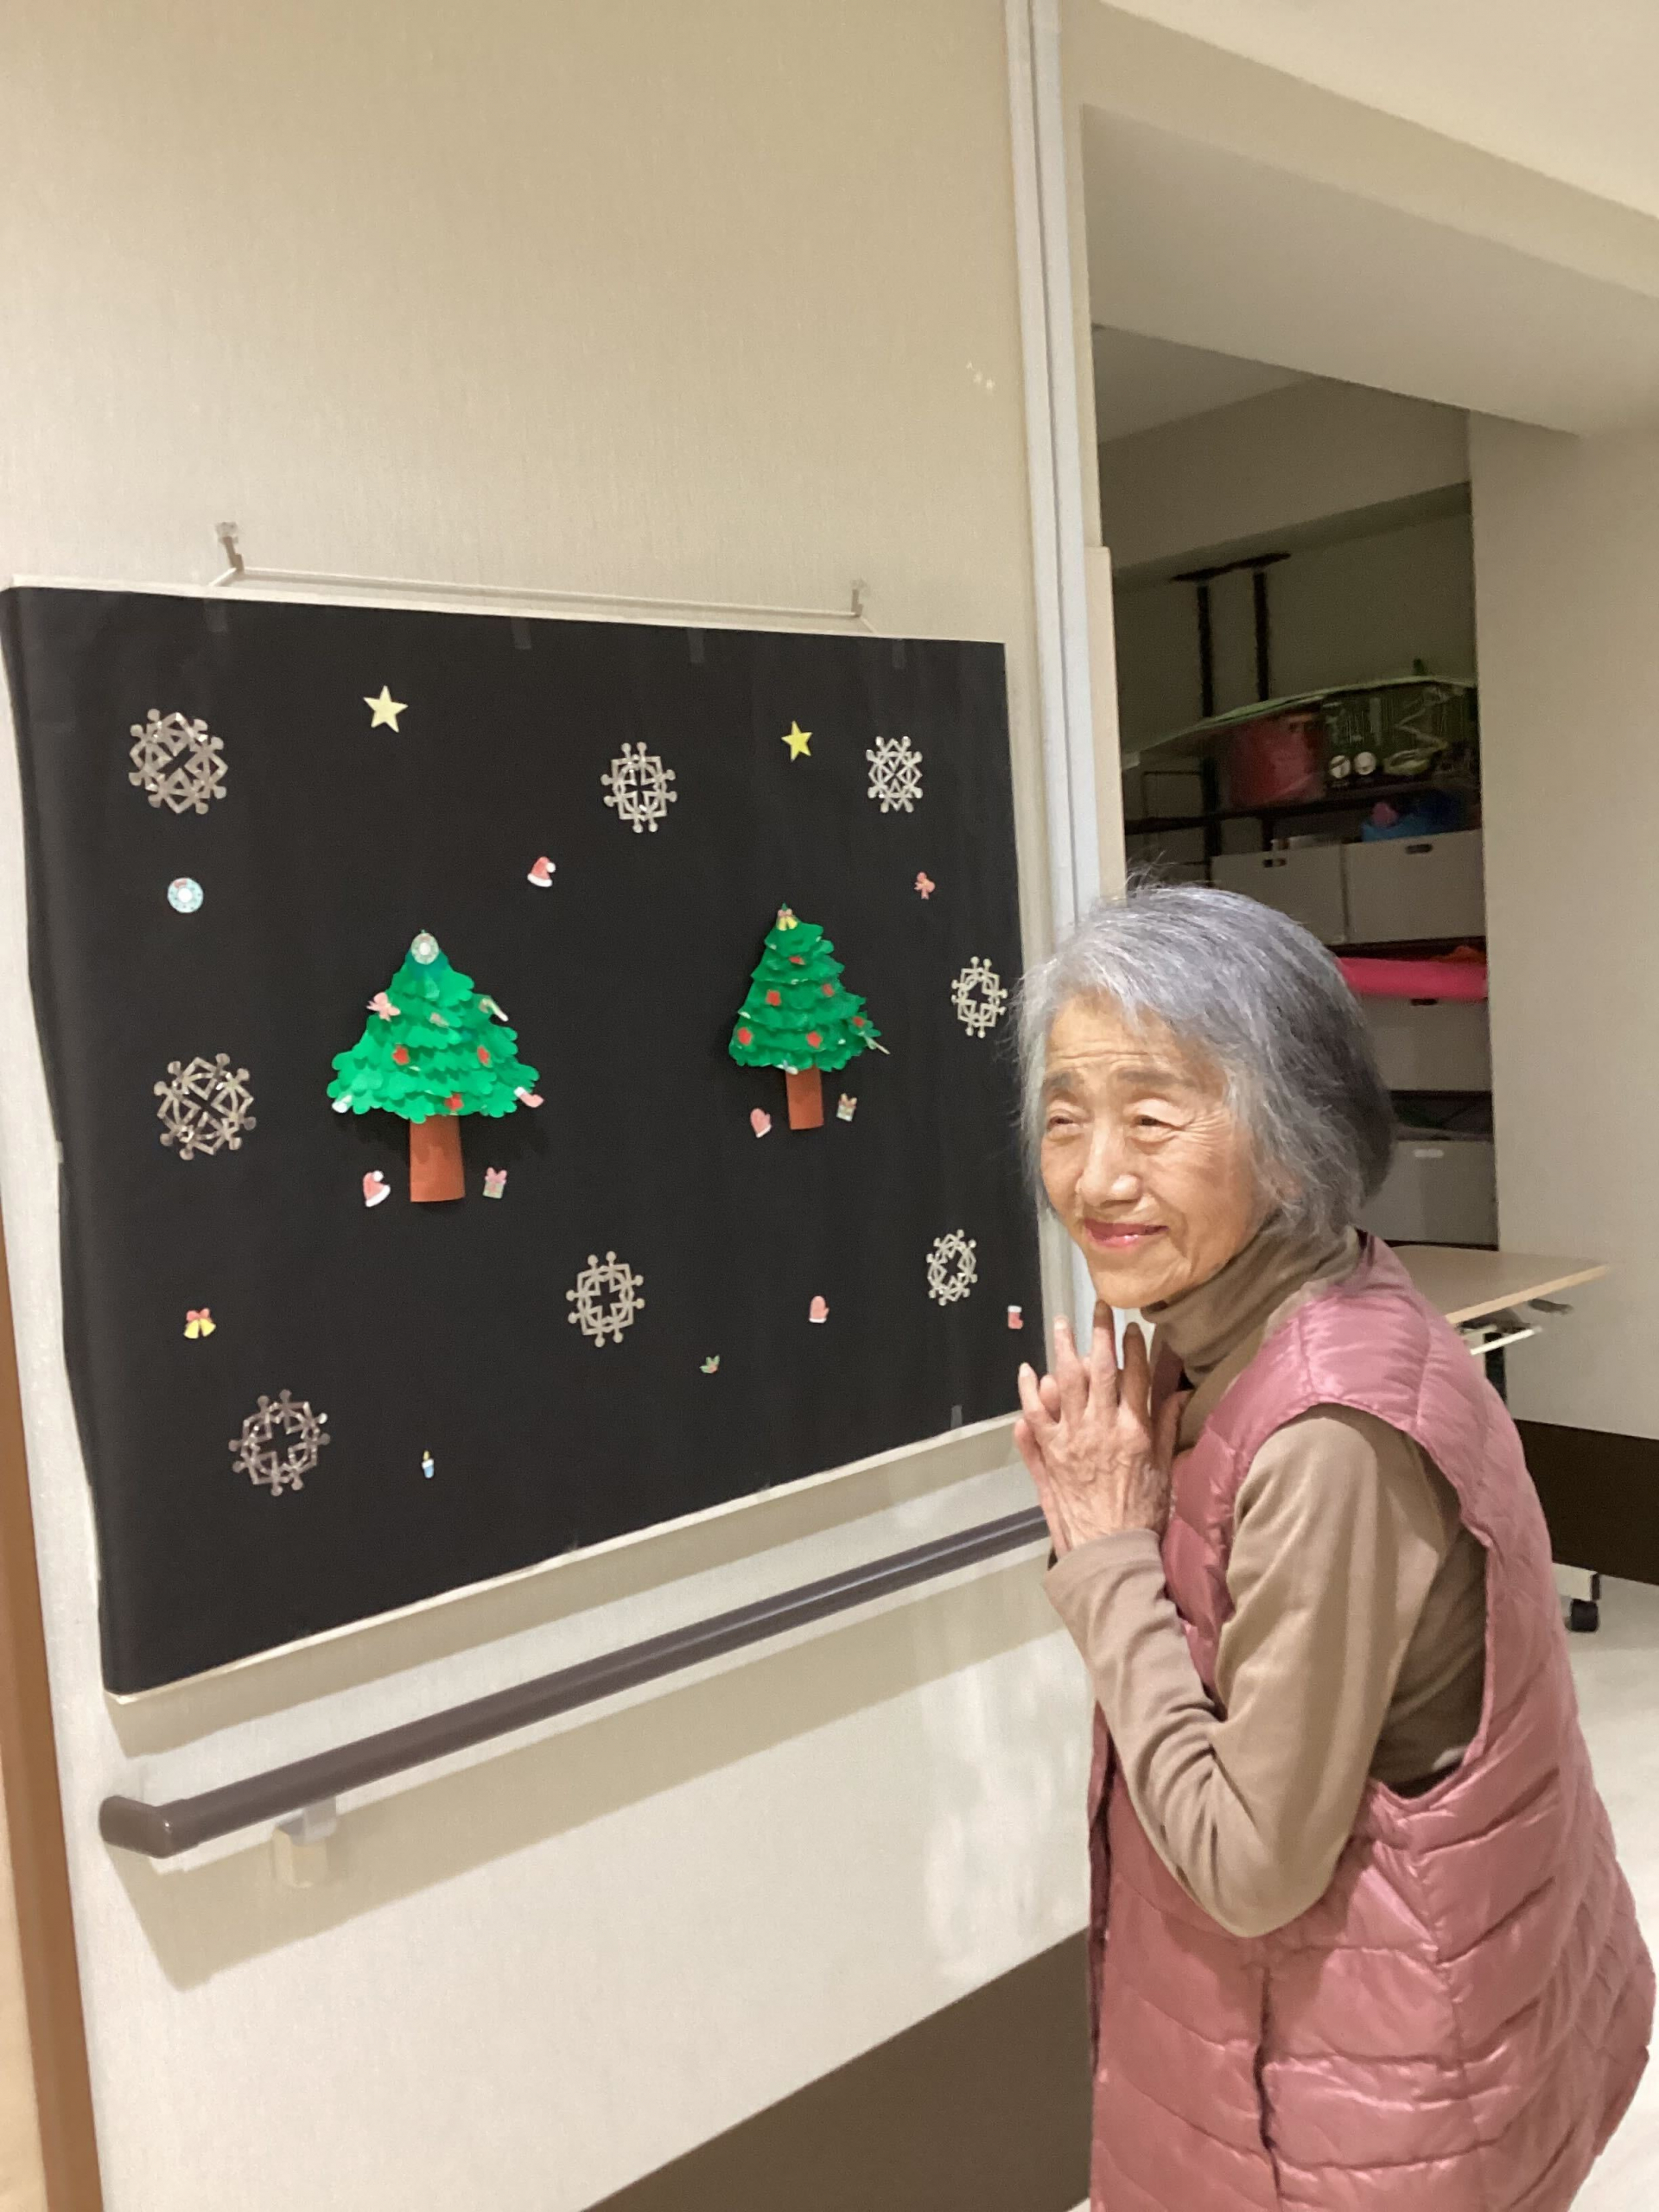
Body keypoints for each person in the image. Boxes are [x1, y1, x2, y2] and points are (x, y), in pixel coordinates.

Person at [1013, 881, 1652, 2212]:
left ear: (1297, 1146)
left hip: (1357, 2116)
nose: (1096, 1175)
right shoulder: (1280, 1314)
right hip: (1387, 2045)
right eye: (1065, 1117)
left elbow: (1250, 1868)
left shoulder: (1325, 1433)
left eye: (1153, 1117)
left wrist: (1106, 1553)